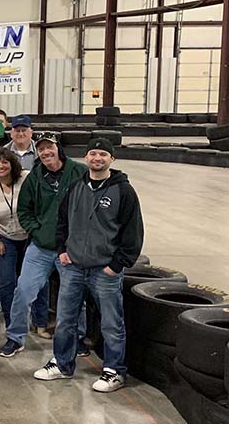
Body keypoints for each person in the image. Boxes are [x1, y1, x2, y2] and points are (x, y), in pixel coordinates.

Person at [35, 138, 143, 393]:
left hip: (104, 270)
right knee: (66, 319)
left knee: (111, 322)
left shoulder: (123, 191)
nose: (97, 158)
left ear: (112, 159)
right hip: (73, 267)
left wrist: (116, 265)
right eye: (93, 153)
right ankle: (62, 364)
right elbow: (62, 221)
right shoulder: (75, 186)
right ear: (86, 158)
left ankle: (115, 371)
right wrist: (62, 250)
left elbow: (133, 232)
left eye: (103, 154)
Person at [1, 132, 88, 358]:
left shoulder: (79, 172)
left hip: (71, 250)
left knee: (74, 295)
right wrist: (38, 231)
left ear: (58, 148)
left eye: (49, 147)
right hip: (40, 248)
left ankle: (76, 338)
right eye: (41, 149)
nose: (46, 152)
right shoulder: (35, 177)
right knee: (23, 291)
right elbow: (24, 211)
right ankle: (15, 337)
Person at [0, 148, 33, 335]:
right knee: (7, 282)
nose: (0, 166)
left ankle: (33, 318)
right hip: (5, 239)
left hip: (29, 238)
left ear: (12, 163)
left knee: (28, 282)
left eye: (4, 162)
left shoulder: (25, 178)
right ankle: (11, 322)